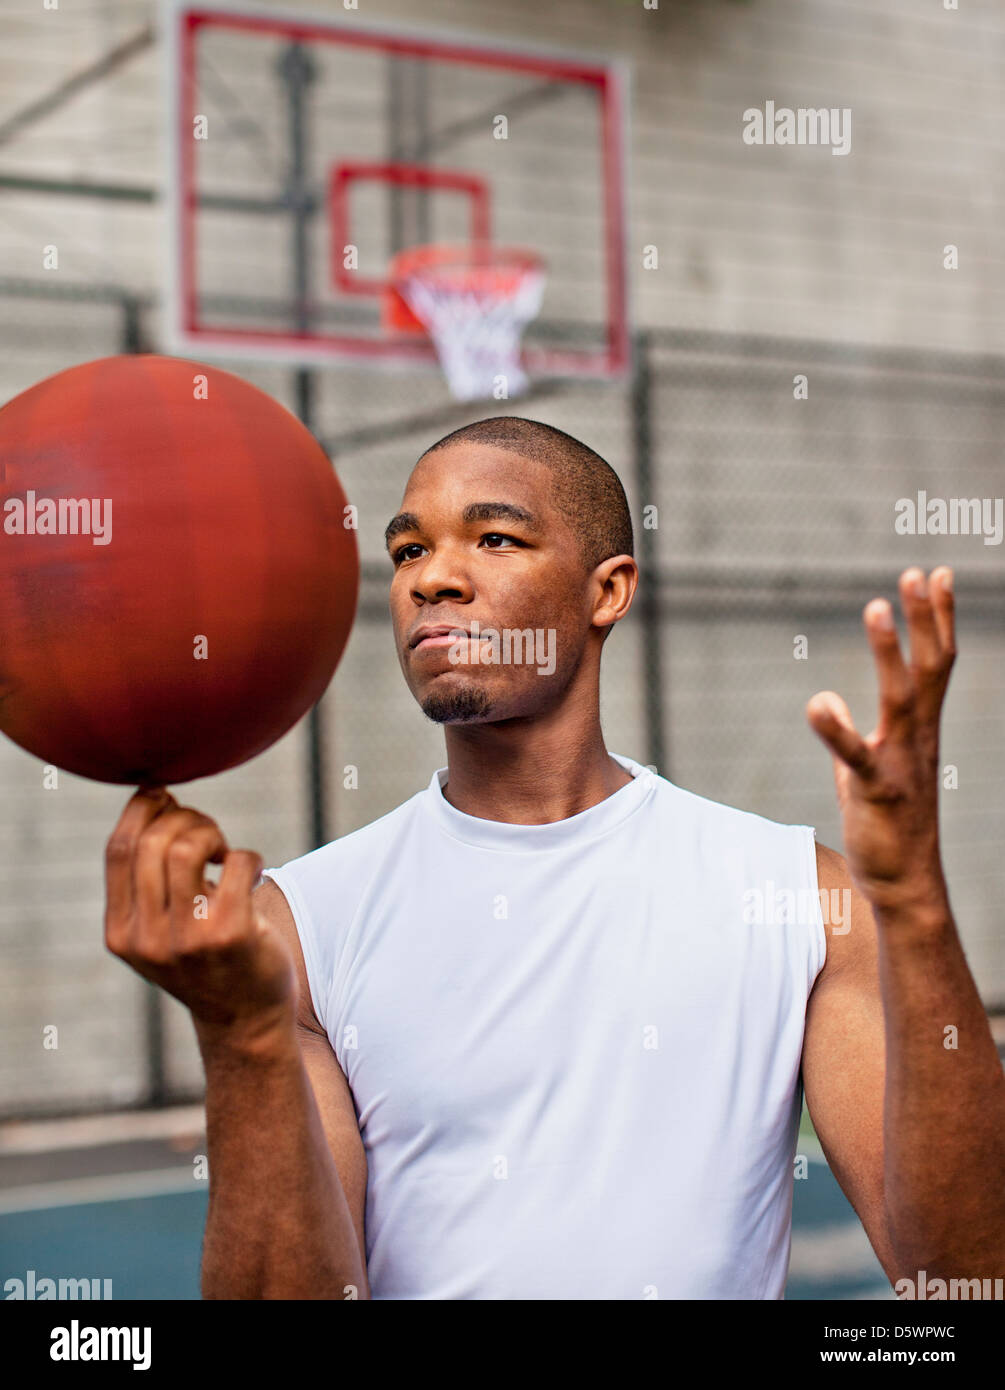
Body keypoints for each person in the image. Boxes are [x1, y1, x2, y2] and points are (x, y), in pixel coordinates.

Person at [103, 417, 1005, 1300]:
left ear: (606, 591)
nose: (433, 580)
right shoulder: (299, 927)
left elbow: (965, 1287)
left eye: (493, 537)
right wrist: (241, 1039)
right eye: (408, 552)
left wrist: (914, 903)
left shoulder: (795, 897)